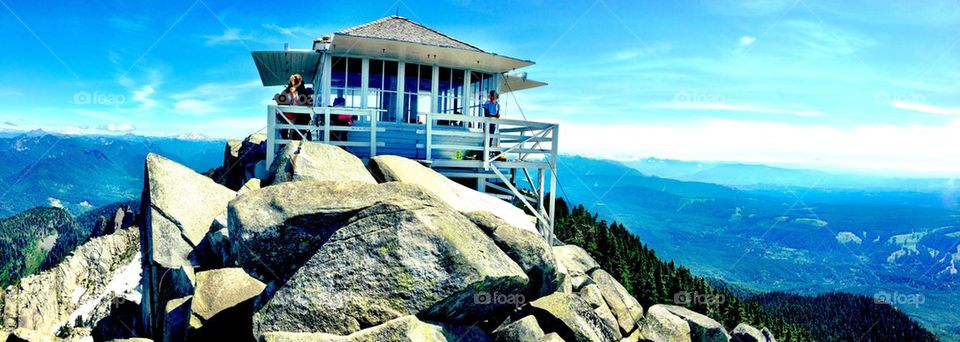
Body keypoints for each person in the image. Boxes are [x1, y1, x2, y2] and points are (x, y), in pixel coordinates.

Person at [275, 74, 313, 140]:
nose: (295, 82)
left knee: (301, 134)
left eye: (297, 80)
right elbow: (281, 104)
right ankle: (286, 144)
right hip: (289, 116)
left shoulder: (304, 91)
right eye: (293, 80)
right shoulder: (286, 91)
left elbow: (309, 104)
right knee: (290, 133)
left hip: (302, 117)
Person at [482, 90, 501, 154]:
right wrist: (494, 116)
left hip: (493, 124)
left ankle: (487, 153)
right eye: (491, 95)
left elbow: (497, 115)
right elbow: (486, 114)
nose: (491, 97)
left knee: (491, 139)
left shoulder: (497, 105)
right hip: (487, 123)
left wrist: (497, 116)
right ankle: (483, 153)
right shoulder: (487, 103)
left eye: (493, 95)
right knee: (486, 138)